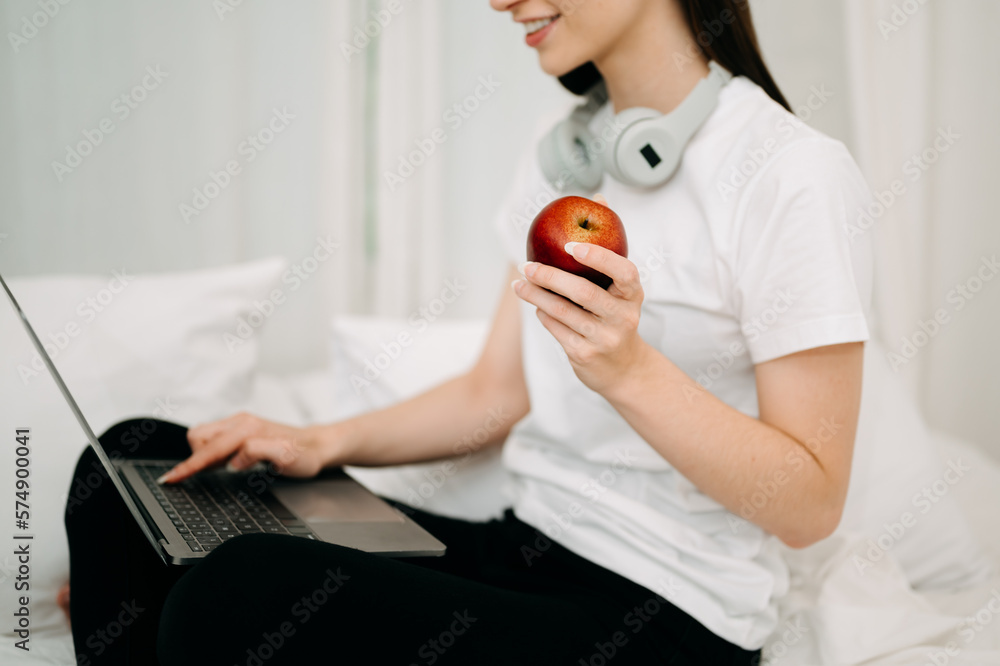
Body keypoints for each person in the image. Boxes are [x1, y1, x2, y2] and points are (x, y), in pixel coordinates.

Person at [62, 0, 874, 664]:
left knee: (236, 592)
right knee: (132, 467)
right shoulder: (570, 159)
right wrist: (319, 441)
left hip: (664, 615)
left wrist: (628, 369)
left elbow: (809, 504)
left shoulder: (789, 171)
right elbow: (496, 392)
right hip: (520, 555)